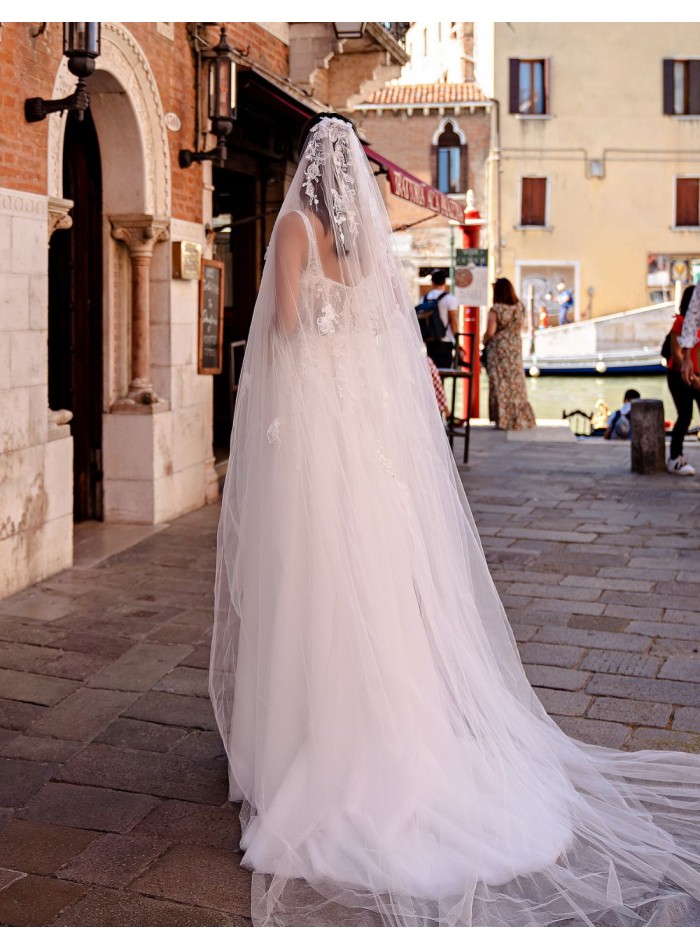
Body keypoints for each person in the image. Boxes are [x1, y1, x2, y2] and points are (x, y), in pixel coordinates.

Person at [211, 113, 700, 928]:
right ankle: (390, 727)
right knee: (375, 577)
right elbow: (380, 337)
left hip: (316, 433)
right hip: (366, 439)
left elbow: (289, 329)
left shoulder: (293, 230)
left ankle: (309, 741)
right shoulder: (363, 248)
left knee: (311, 574)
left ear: (305, 175)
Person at [482, 278, 536, 430]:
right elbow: (521, 326)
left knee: (500, 383)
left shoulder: (496, 309)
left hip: (498, 351)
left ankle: (503, 419)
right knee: (516, 383)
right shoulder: (520, 307)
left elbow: (490, 332)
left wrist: (483, 340)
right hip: (515, 349)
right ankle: (519, 419)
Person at [666, 285, 699, 475]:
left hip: (697, 375)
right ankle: (675, 458)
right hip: (679, 375)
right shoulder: (680, 322)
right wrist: (692, 378)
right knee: (685, 416)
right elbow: (676, 352)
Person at [420, 268, 458, 368]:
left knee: (432, 371)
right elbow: (453, 321)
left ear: (432, 282)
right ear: (444, 282)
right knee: (444, 371)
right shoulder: (449, 298)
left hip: (430, 340)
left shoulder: (424, 299)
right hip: (445, 340)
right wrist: (457, 340)